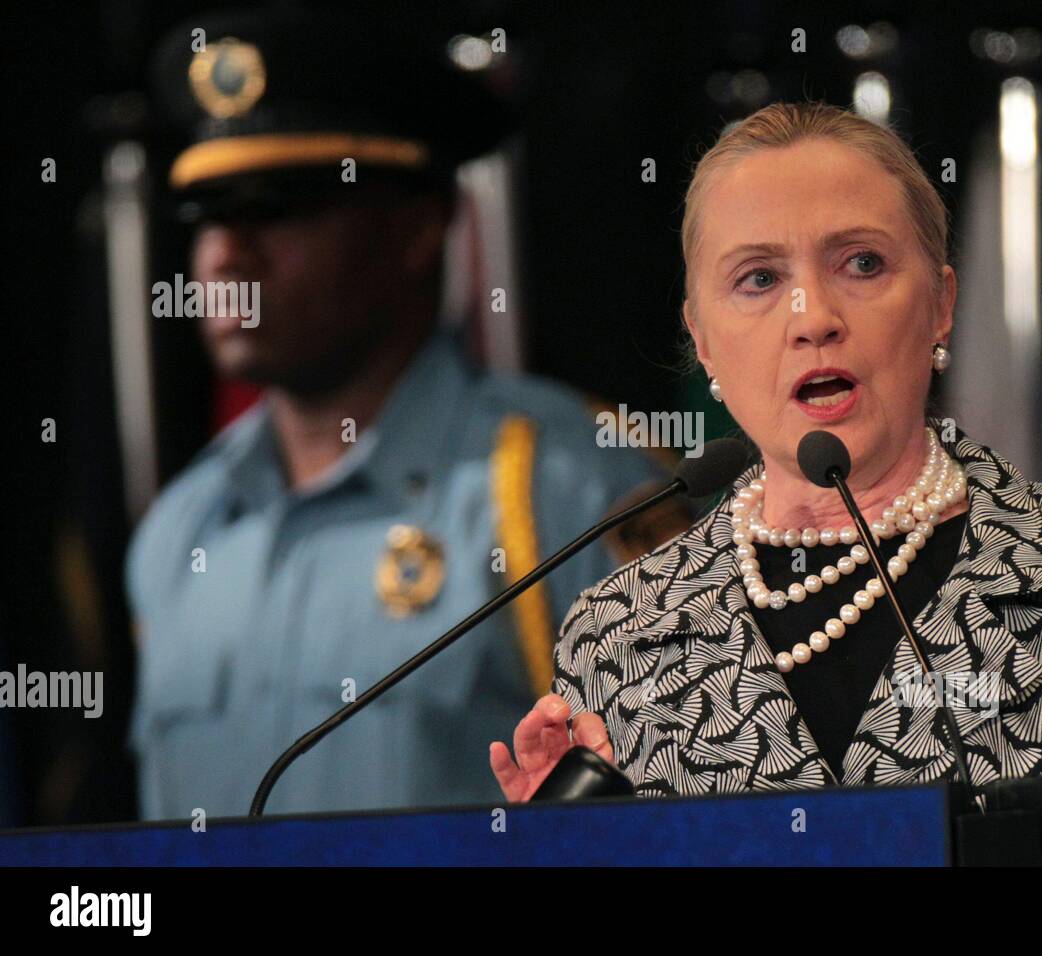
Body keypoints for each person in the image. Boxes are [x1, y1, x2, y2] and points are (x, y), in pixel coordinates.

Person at [491, 101, 1042, 802]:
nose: (813, 317)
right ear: (703, 342)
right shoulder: (623, 631)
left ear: (941, 305)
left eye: (861, 264)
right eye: (759, 278)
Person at [128, 8, 677, 819]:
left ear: (421, 226)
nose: (224, 254)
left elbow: (693, 821)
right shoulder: (180, 529)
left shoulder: (568, 487)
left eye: (278, 206)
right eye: (207, 213)